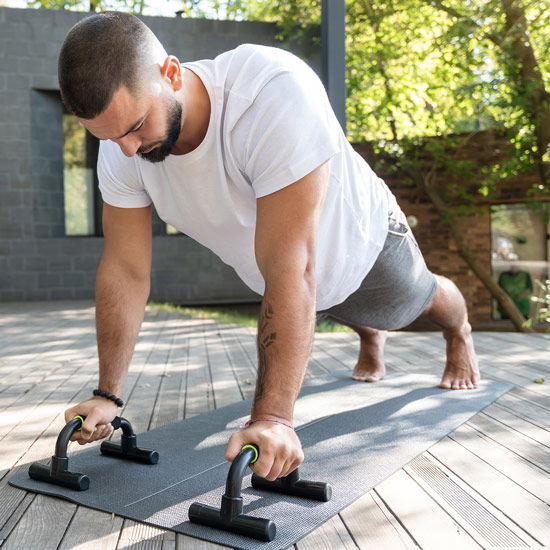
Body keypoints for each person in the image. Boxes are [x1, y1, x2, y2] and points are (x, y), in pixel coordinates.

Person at [60, 12, 480, 482]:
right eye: (107, 136)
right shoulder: (121, 145)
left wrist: (274, 419)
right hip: (290, 278)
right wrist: (108, 394)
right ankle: (367, 336)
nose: (127, 150)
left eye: (136, 126)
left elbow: (294, 266)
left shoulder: (271, 92)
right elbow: (124, 269)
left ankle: (458, 332)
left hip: (364, 242)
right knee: (321, 303)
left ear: (171, 73)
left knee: (413, 303)